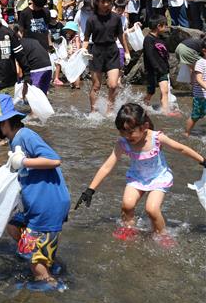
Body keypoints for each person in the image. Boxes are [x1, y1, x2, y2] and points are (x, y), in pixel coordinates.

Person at [0, 94, 70, 289]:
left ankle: (51, 285)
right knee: (13, 227)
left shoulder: (25, 136)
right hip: (35, 202)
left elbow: (54, 160)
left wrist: (23, 162)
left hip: (47, 205)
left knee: (35, 263)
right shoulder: (14, 139)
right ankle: (46, 258)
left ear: (3, 123)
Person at [75, 103, 206, 246]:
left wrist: (202, 160)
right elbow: (107, 166)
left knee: (152, 209)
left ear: (144, 127)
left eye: (130, 132)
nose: (126, 136)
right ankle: (129, 228)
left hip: (158, 178)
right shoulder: (123, 143)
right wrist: (90, 189)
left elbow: (180, 149)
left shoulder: (156, 138)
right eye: (122, 132)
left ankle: (162, 234)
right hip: (137, 177)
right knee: (127, 205)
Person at [83, 0, 130, 114]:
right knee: (96, 86)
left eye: (108, 1)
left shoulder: (116, 18)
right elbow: (86, 38)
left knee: (113, 85)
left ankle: (110, 110)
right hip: (96, 51)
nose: (106, 4)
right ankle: (93, 111)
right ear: (97, 2)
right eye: (103, 2)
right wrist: (83, 50)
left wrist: (126, 51)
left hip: (112, 51)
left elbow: (121, 36)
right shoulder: (91, 19)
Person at [141, 15, 175, 115]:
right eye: (165, 26)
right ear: (159, 26)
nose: (166, 28)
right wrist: (157, 68)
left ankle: (165, 111)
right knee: (151, 92)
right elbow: (150, 56)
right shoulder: (148, 39)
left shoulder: (161, 38)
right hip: (152, 70)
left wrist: (165, 67)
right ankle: (143, 106)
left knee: (165, 91)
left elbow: (164, 54)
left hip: (163, 69)